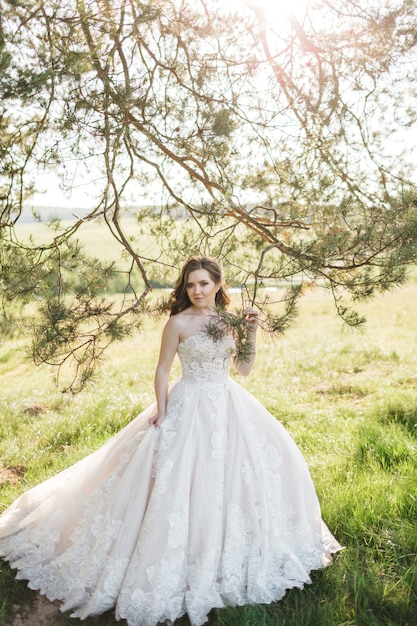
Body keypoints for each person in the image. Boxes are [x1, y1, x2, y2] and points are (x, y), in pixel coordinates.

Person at [0, 256, 342, 626]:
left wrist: (251, 333)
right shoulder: (177, 323)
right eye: (191, 285)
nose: (197, 291)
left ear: (217, 285)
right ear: (185, 288)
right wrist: (163, 410)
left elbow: (243, 370)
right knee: (172, 477)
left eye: (204, 284)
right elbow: (163, 370)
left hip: (227, 405)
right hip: (187, 402)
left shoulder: (230, 322)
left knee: (235, 474)